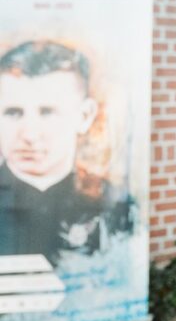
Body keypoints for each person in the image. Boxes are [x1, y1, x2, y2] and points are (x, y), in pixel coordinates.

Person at [0, 40, 133, 263]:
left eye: (48, 112)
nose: (30, 135)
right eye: (13, 113)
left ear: (84, 116)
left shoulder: (113, 203)